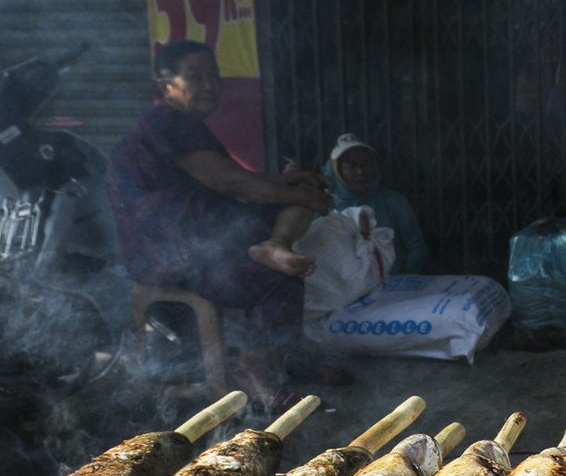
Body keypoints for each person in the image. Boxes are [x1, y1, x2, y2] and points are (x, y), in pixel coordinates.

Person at [107, 39, 333, 408]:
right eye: (196, 77)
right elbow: (231, 182)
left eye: (214, 76)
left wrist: (295, 180)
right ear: (167, 85)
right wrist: (302, 195)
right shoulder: (169, 123)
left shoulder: (172, 125)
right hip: (178, 255)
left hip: (186, 244)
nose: (209, 85)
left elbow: (233, 176)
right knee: (279, 278)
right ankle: (253, 366)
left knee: (295, 199)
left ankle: (274, 245)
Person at [322, 133, 429, 275]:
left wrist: (405, 278)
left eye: (366, 164)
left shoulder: (394, 201)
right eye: (351, 166)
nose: (360, 171)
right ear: (337, 170)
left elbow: (416, 247)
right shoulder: (324, 206)